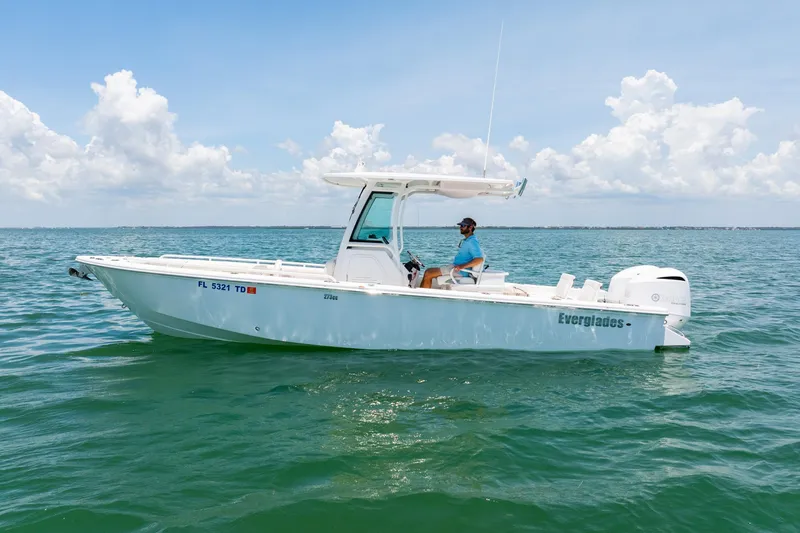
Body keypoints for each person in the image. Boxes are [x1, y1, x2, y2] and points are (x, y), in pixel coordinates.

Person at [420, 217, 484, 289]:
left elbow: (479, 259)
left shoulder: (472, 241)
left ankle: (422, 298)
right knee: (429, 272)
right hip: (456, 267)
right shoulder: (467, 240)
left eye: (463, 226)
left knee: (428, 273)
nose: (460, 227)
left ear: (470, 227)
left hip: (460, 271)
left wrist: (461, 266)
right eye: (460, 226)